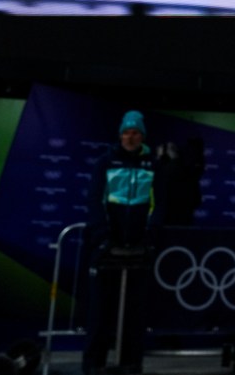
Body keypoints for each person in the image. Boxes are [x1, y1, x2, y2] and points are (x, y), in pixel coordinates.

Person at [82, 110, 163, 375]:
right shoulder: (105, 162)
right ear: (120, 135)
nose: (130, 137)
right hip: (107, 248)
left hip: (139, 249)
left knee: (134, 312)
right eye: (126, 132)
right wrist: (102, 237)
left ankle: (131, 363)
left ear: (142, 136)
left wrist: (149, 237)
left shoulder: (152, 164)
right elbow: (95, 200)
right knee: (100, 311)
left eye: (135, 132)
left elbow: (158, 204)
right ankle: (94, 364)